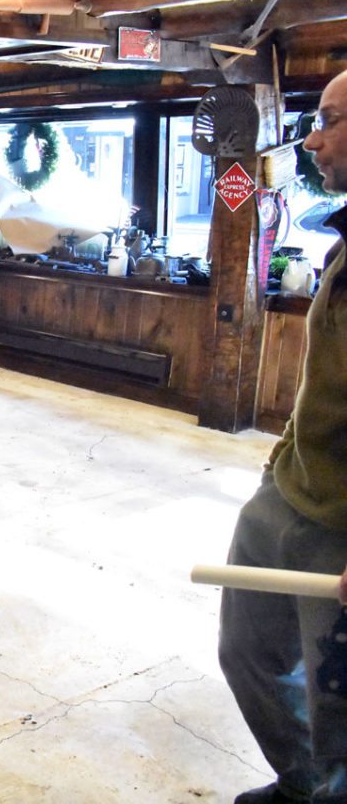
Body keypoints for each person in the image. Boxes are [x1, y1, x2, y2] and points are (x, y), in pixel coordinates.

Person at [219, 69, 347, 804]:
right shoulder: (342, 246)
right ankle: (305, 786)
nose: (312, 140)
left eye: (328, 120)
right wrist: (277, 464)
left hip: (340, 528)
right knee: (247, 653)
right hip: (288, 493)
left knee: (339, 707)